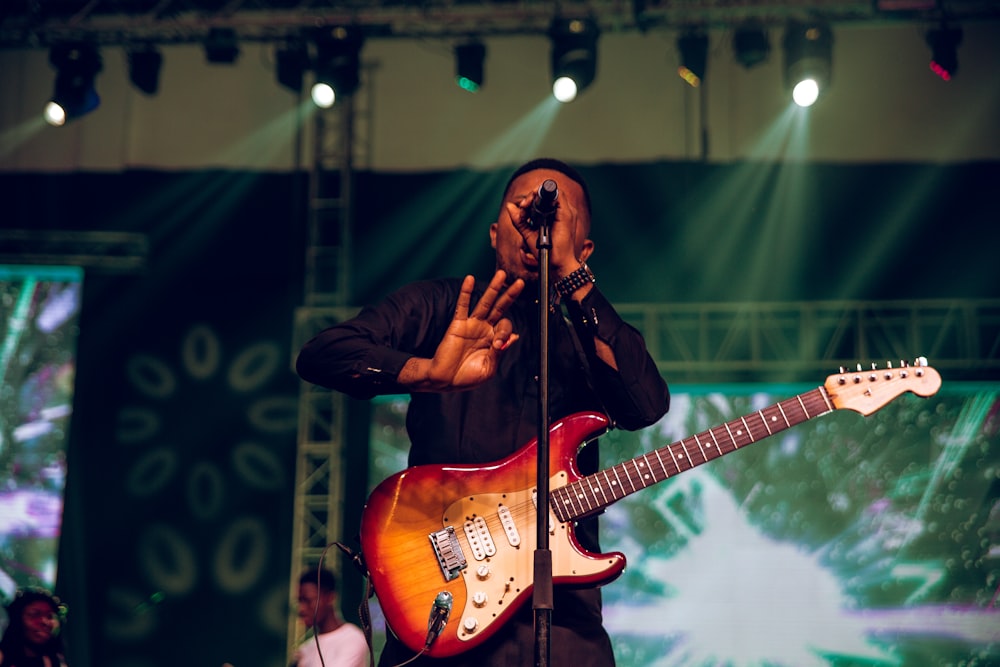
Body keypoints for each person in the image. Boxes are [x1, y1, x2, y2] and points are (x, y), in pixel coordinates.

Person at [295, 158, 670, 666]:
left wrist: (572, 278)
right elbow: (323, 353)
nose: (537, 224)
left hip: (564, 624)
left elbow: (645, 403)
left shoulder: (587, 342)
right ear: (496, 233)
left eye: (560, 219)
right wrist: (422, 372)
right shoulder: (442, 307)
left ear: (585, 250)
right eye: (524, 211)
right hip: (443, 607)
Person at [292, 567, 369, 667]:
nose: (301, 609)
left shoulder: (352, 638)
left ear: (329, 597)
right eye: (300, 601)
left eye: (308, 600)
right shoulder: (306, 649)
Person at [0, 588, 68, 667]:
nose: (44, 622)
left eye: (50, 616)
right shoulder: (3, 657)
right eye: (35, 614)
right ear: (16, 620)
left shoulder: (55, 660)